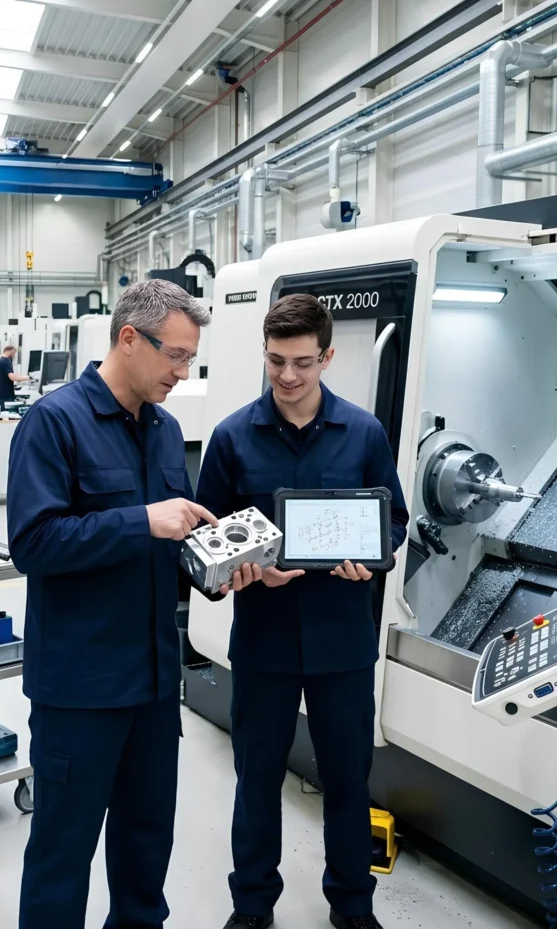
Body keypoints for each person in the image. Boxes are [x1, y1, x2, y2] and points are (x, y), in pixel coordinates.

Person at [195, 294, 409, 929]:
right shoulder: (232, 437)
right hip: (263, 641)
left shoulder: (364, 434)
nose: (287, 376)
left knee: (347, 780)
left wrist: (371, 559)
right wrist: (243, 570)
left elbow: (394, 520)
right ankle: (252, 906)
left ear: (327, 357)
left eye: (302, 363)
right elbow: (205, 541)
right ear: (264, 354)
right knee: (257, 779)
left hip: (342, 641)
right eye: (276, 361)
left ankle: (353, 906)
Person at [7, 280, 216, 929]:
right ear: (129, 338)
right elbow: (33, 543)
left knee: (146, 849)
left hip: (153, 687)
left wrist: (220, 570)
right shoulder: (54, 423)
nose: (182, 373)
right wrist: (142, 521)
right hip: (81, 690)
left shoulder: (166, 430)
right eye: (175, 356)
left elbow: (172, 543)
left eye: (190, 359)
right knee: (63, 855)